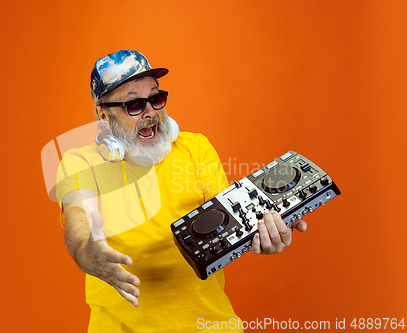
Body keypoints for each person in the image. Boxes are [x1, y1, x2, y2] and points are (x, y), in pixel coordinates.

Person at [56, 50, 307, 332]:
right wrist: (87, 252)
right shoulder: (81, 162)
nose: (150, 112)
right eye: (134, 105)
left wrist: (266, 230)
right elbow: (78, 217)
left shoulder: (195, 149)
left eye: (155, 98)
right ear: (103, 115)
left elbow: (233, 223)